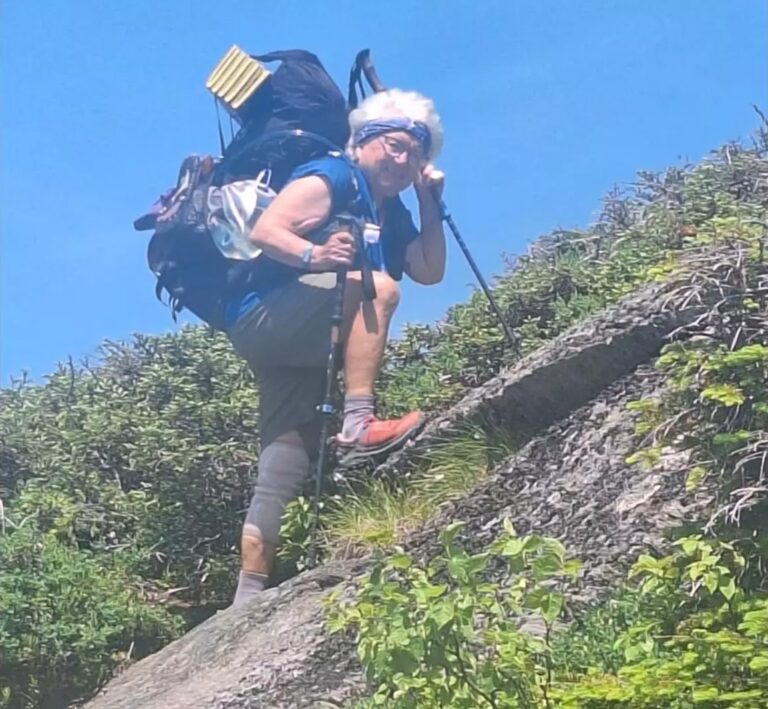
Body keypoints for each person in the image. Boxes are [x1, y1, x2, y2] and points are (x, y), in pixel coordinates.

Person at [226, 88, 446, 606]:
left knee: (285, 456)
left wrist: (428, 203)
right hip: (268, 314)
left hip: (299, 340)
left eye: (414, 153)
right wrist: (315, 253)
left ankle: (246, 594)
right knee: (381, 287)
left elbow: (430, 271)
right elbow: (265, 229)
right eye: (392, 146)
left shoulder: (390, 211)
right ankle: (359, 421)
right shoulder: (334, 175)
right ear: (363, 143)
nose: (403, 159)